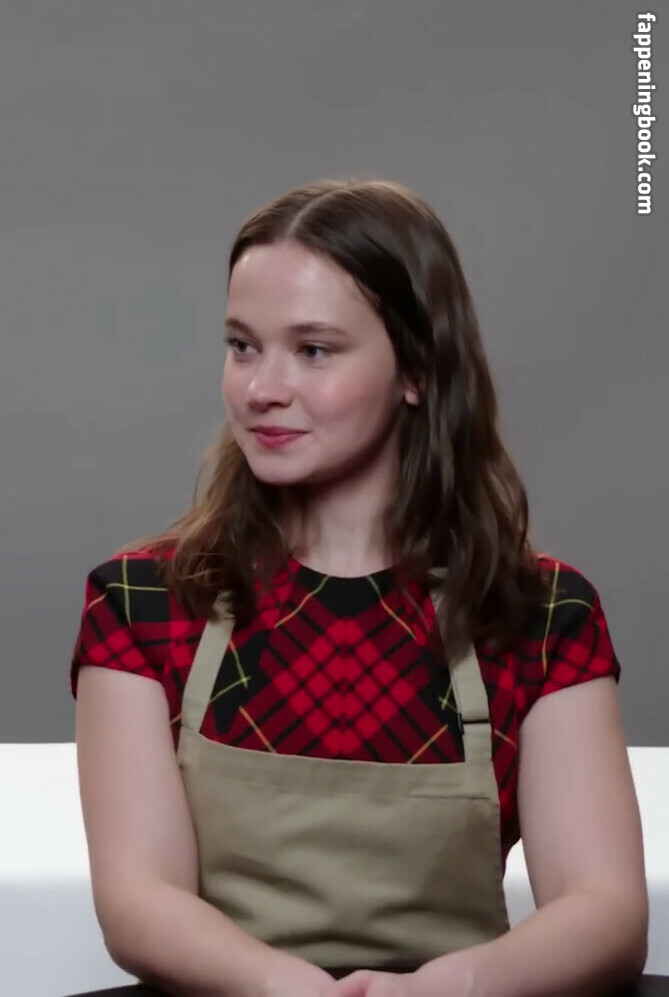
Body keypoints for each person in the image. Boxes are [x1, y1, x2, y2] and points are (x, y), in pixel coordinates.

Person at [70, 178, 648, 997]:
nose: (260, 388)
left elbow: (604, 910)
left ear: (416, 367)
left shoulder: (543, 616)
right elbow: (139, 900)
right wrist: (289, 988)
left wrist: (443, 988)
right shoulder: (142, 603)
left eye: (313, 349)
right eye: (242, 345)